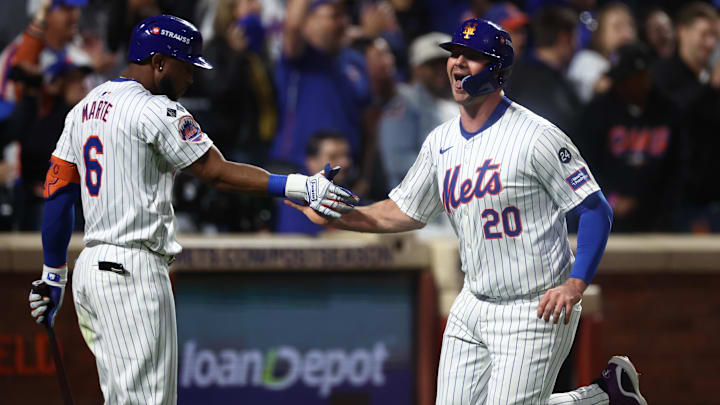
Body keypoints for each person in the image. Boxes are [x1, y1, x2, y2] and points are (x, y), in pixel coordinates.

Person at [288, 18, 647, 405]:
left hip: (534, 306)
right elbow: (402, 210)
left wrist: (576, 284)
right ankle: (609, 397)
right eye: (454, 53)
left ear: (497, 68)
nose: (457, 62)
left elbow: (595, 209)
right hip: (473, 301)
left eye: (472, 56)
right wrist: (338, 215)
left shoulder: (537, 136)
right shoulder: (440, 141)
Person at [26, 14, 356, 404]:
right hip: (132, 272)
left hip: (90, 273)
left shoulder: (83, 108)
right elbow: (214, 171)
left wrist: (53, 274)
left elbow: (59, 192)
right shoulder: (153, 109)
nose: (191, 79)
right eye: (186, 67)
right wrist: (299, 185)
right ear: (159, 63)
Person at [578, 43, 683, 232]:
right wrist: (610, 198)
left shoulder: (669, 111)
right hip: (609, 217)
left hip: (659, 218)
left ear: (645, 76)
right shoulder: (597, 111)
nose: (621, 85)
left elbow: (678, 167)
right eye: (619, 79)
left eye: (628, 79)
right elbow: (584, 164)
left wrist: (656, 203)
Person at [651, 2, 720, 232]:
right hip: (678, 204)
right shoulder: (661, 74)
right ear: (682, 31)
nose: (710, 44)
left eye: (715, 36)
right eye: (704, 35)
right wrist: (711, 86)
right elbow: (674, 113)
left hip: (710, 200)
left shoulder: (705, 82)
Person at [505, 6, 581, 138]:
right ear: (564, 39)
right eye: (575, 37)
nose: (577, 45)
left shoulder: (513, 73)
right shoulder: (554, 85)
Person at [275, 130, 354, 235]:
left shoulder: (346, 194)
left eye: (346, 155)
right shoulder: (296, 199)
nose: (345, 163)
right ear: (311, 162)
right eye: (334, 157)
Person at [567, 2, 636, 104]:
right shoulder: (586, 60)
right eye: (617, 26)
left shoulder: (637, 63)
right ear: (600, 33)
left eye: (630, 25)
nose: (626, 33)